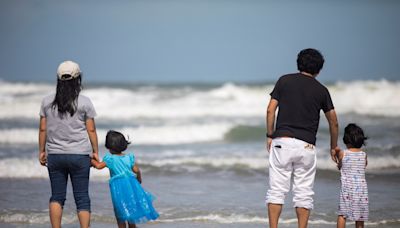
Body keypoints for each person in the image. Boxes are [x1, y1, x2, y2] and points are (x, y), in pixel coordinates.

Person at [265, 48, 340, 228]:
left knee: (276, 190)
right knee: (304, 192)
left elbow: (270, 110)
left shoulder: (284, 81)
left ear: (298, 63)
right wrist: (333, 146)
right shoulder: (322, 90)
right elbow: (334, 121)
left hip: (281, 141)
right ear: (319, 69)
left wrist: (270, 135)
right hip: (306, 146)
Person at [38, 60, 99, 228]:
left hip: (55, 155)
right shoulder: (85, 101)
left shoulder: (47, 101)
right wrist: (95, 152)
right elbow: (91, 130)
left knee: (57, 196)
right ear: (78, 78)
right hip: (79, 155)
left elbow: (43, 130)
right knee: (82, 197)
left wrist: (41, 151)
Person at [91, 130, 159, 228]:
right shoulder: (129, 157)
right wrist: (139, 179)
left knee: (120, 213)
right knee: (131, 211)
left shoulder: (110, 159)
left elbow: (98, 166)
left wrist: (90, 160)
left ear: (108, 146)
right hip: (131, 186)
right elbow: (137, 170)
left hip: (118, 188)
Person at [336, 123, 369, 228]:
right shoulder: (364, 155)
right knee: (360, 217)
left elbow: (340, 166)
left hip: (347, 189)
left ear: (346, 139)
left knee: (342, 214)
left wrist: (337, 156)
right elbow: (364, 166)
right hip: (361, 190)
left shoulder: (343, 153)